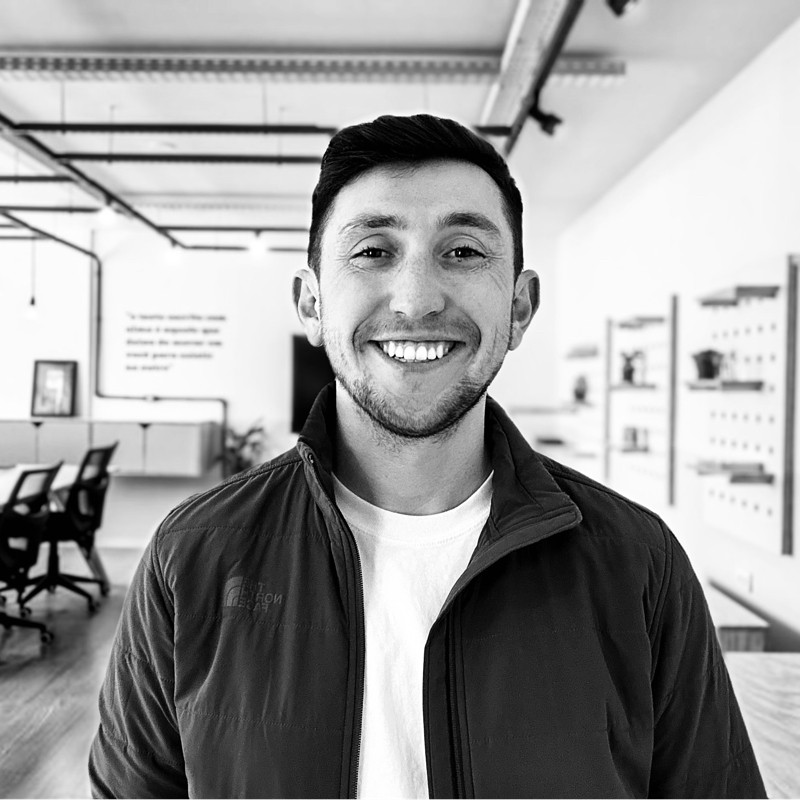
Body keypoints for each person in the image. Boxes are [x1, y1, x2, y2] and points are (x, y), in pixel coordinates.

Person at [89, 113, 766, 799]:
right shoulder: (195, 558)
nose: (416, 300)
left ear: (521, 306)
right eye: (373, 251)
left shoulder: (638, 565)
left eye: (464, 252)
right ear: (312, 302)